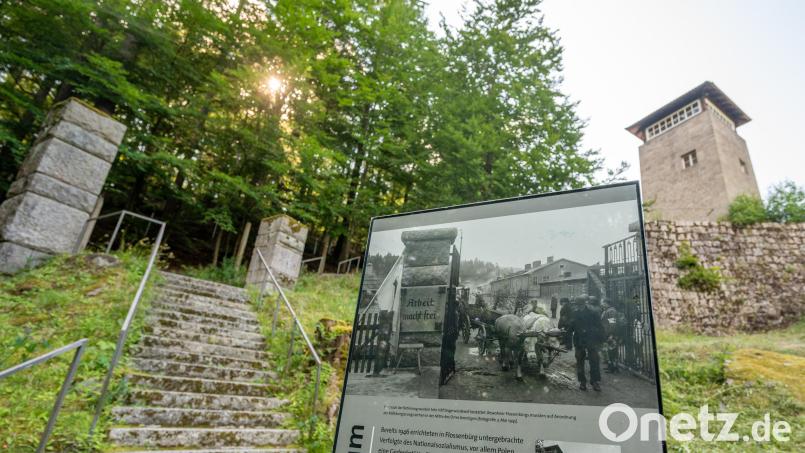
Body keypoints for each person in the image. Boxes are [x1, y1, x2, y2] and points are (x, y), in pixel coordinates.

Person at [570, 295, 605, 391]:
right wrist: (567, 341)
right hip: (579, 340)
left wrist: (601, 339)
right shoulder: (574, 313)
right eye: (576, 305)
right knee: (579, 361)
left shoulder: (593, 313)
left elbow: (600, 326)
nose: (577, 307)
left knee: (594, 360)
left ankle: (595, 382)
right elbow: (570, 327)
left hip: (591, 339)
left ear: (584, 304)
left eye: (579, 305)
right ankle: (582, 382)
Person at [601, 299, 626, 373]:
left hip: (611, 334)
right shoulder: (608, 310)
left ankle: (614, 368)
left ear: (607, 303)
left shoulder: (611, 311)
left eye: (603, 303)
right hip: (609, 333)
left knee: (612, 351)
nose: (602, 304)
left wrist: (611, 334)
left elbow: (612, 324)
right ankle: (611, 366)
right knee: (610, 351)